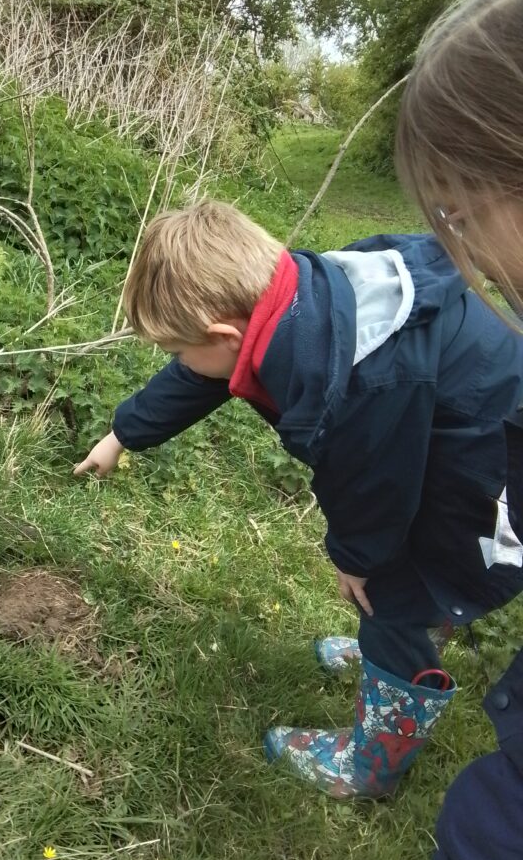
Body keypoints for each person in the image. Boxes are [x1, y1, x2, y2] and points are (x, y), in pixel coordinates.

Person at [74, 199, 523, 800]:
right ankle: (413, 634)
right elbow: (205, 372)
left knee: (390, 592)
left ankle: (372, 761)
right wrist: (122, 433)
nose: (180, 363)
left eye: (178, 349)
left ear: (223, 334)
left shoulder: (355, 382)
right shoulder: (296, 294)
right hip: (459, 430)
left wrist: (357, 558)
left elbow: (374, 491)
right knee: (399, 572)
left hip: (489, 474)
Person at [395, 0, 523, 860]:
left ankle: (382, 734)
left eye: (460, 210)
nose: (464, 248)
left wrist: (362, 556)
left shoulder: (329, 360)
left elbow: (366, 468)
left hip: (468, 466)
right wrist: (127, 426)